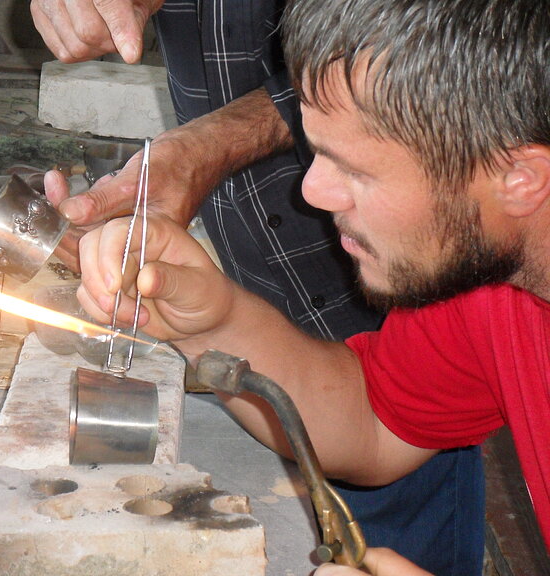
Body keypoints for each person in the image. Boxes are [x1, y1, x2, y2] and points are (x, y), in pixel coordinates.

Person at [74, 0, 550, 574]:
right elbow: (375, 426)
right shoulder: (486, 282)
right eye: (317, 150)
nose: (314, 193)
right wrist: (213, 320)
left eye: (356, 170)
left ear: (522, 180)